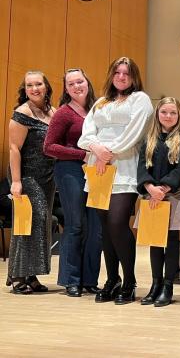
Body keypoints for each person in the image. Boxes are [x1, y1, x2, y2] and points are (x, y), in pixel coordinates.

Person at [78, 56, 153, 305]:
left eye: (127, 73)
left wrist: (106, 151)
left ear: (134, 77)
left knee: (118, 221)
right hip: (98, 168)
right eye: (118, 73)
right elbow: (86, 134)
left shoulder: (140, 99)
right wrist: (96, 149)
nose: (121, 77)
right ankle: (112, 279)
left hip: (124, 166)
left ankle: (129, 280)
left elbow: (135, 133)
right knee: (104, 227)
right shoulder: (100, 102)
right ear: (111, 75)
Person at [43, 68, 101, 297]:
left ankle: (89, 279)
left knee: (96, 228)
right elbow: (48, 147)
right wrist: (81, 155)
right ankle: (71, 279)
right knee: (76, 224)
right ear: (66, 89)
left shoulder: (98, 109)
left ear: (87, 82)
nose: (77, 86)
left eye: (80, 81)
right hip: (70, 171)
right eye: (71, 83)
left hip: (96, 172)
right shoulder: (64, 114)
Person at [136, 97, 180, 307]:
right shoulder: (148, 140)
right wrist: (150, 187)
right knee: (155, 242)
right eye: (164, 112)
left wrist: (165, 188)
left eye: (173, 113)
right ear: (158, 114)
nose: (168, 116)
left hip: (173, 196)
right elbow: (142, 167)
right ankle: (155, 284)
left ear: (178, 115)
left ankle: (168, 286)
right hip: (152, 198)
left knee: (172, 242)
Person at [6, 71, 56, 294]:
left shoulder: (52, 112)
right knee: (28, 222)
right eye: (29, 85)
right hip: (26, 175)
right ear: (24, 89)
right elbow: (14, 149)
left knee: (41, 223)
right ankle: (17, 275)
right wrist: (16, 181)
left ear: (46, 87)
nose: (34, 88)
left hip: (47, 176)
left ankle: (31, 274)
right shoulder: (21, 113)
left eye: (38, 84)